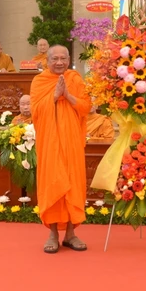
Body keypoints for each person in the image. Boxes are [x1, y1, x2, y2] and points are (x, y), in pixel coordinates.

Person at [30, 45, 91, 254]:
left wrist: (68, 95)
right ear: (47, 61)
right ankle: (53, 233)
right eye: (54, 59)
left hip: (72, 140)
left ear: (69, 59)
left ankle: (71, 234)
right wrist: (54, 96)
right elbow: (35, 111)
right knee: (53, 181)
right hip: (50, 141)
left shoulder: (75, 79)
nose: (59, 62)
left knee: (73, 182)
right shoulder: (39, 81)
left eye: (63, 58)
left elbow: (86, 107)